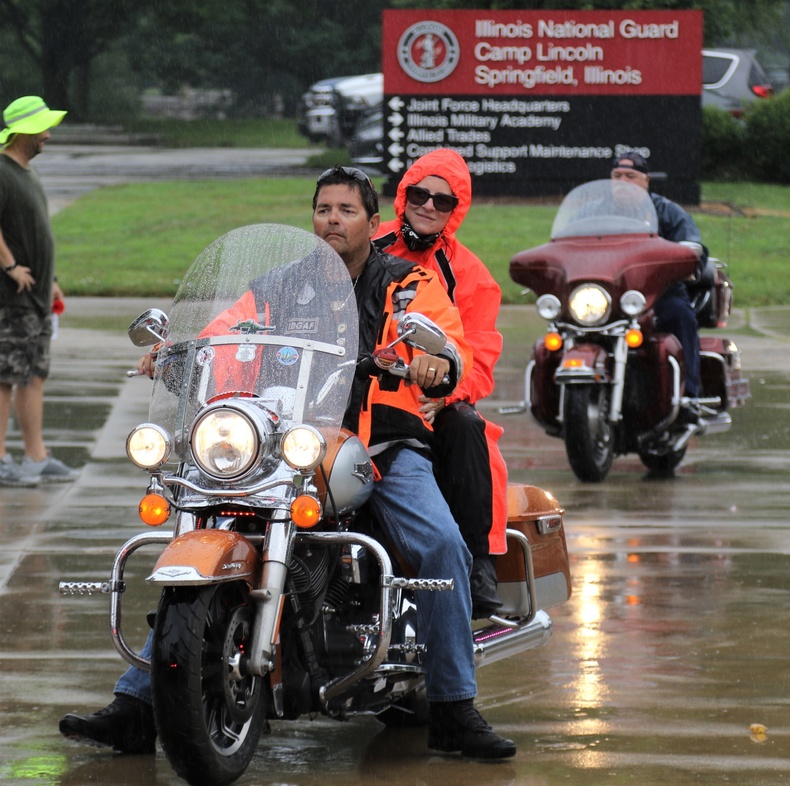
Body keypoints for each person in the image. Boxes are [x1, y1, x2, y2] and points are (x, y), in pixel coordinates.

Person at [59, 166, 517, 760]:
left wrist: (437, 362)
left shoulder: (407, 284)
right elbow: (227, 333)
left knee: (439, 545)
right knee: (210, 518)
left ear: (373, 223)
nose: (333, 219)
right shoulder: (279, 284)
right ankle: (137, 705)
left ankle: (455, 707)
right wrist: (178, 354)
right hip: (286, 443)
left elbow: (446, 344)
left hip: (378, 444)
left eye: (347, 210)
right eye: (323, 208)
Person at [374, 148, 507, 618]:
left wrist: (444, 395)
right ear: (402, 195)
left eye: (443, 201)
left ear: (457, 211)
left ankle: (476, 566)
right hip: (360, 391)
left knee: (467, 426)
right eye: (419, 193)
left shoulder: (470, 276)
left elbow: (480, 356)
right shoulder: (366, 245)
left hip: (431, 400)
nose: (428, 205)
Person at [0, 96, 78, 486]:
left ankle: (36, 457)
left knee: (33, 374)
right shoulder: (1, 171)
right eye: (43, 128)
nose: (48, 134)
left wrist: (51, 279)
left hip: (37, 295)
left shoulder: (25, 172)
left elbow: (33, 232)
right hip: (10, 297)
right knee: (5, 375)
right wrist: (10, 265)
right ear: (24, 131)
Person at [611, 151, 703, 399]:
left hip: (659, 293)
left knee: (681, 316)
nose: (623, 181)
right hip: (609, 294)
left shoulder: (667, 212)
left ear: (646, 180)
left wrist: (685, 258)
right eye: (617, 175)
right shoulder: (594, 212)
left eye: (630, 175)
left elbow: (694, 248)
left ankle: (689, 396)